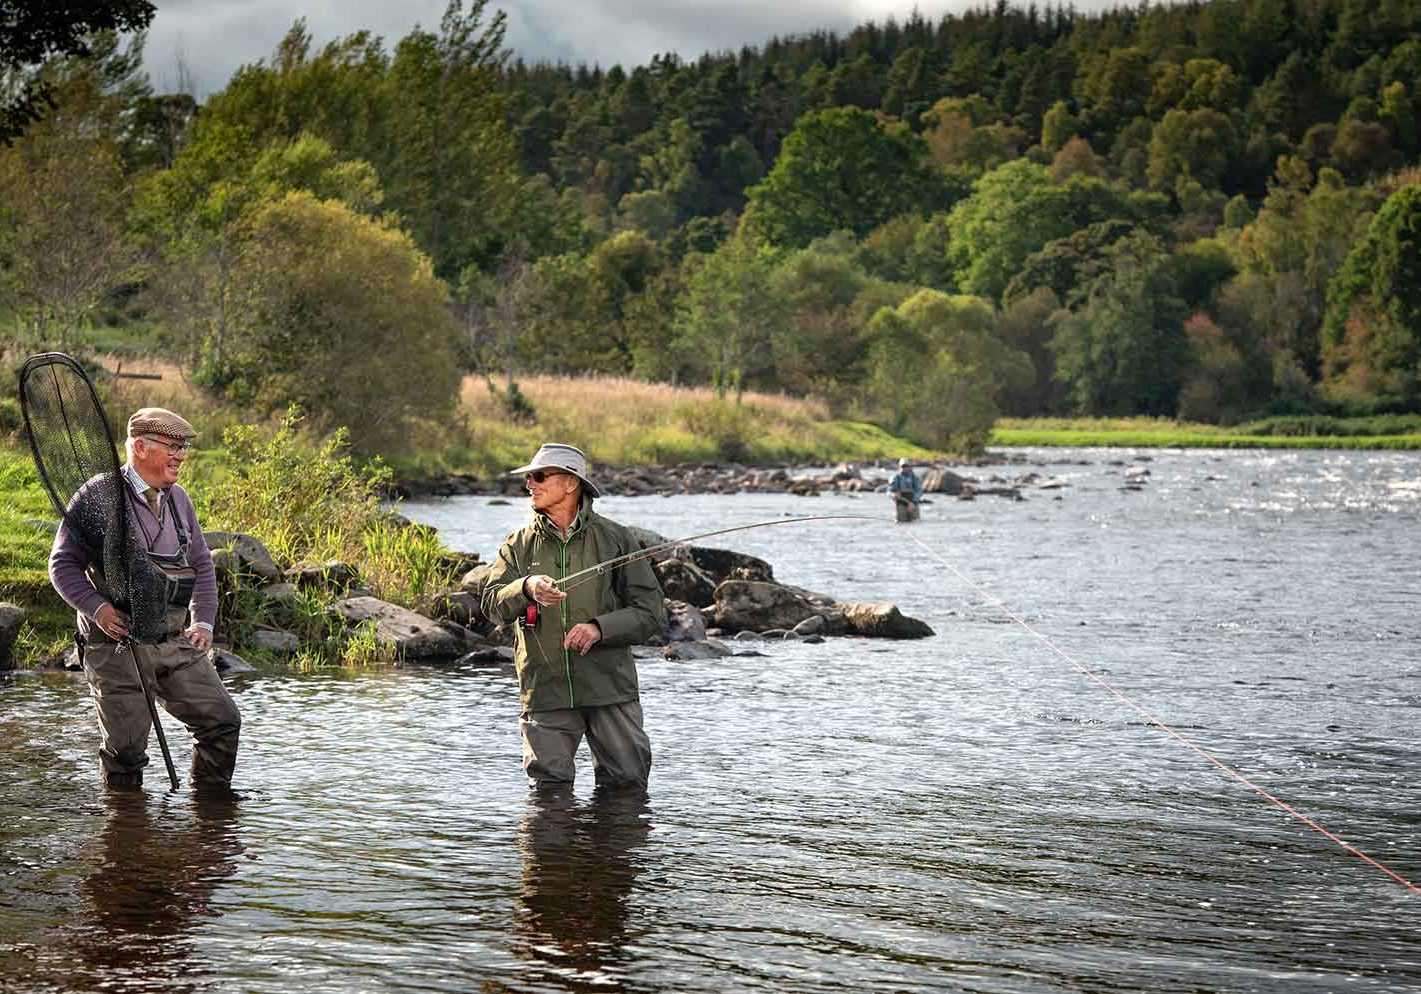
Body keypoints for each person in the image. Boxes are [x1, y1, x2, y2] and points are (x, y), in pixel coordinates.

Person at [49, 407, 240, 792]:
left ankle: (211, 820)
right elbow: (62, 565)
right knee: (126, 754)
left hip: (172, 639)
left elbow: (201, 563)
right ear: (140, 447)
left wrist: (202, 620)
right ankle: (126, 840)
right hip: (116, 646)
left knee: (221, 721)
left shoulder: (179, 499)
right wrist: (98, 609)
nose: (181, 455)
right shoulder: (97, 496)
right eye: (172, 446)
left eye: (183, 447)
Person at [482, 443, 666, 792]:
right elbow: (491, 605)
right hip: (544, 690)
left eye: (538, 476)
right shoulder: (517, 546)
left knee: (626, 791)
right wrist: (526, 587)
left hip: (609, 688)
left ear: (570, 483)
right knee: (548, 800)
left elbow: (650, 612)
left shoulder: (616, 539)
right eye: (528, 478)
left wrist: (600, 629)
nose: (529, 485)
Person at [888, 457, 925, 523]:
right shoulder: (895, 478)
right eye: (902, 466)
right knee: (901, 523)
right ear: (899, 467)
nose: (904, 468)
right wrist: (893, 495)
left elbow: (920, 491)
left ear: (910, 466)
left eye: (906, 466)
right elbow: (889, 492)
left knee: (915, 523)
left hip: (913, 504)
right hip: (901, 504)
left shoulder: (915, 477)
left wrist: (913, 502)